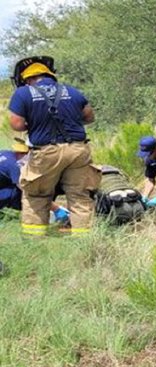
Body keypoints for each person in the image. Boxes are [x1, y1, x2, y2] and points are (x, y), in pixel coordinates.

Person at [7, 56, 100, 236]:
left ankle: (35, 241)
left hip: (46, 152)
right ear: (49, 75)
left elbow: (16, 124)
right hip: (78, 150)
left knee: (36, 196)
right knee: (79, 196)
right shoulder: (72, 91)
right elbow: (89, 117)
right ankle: (84, 242)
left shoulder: (23, 93)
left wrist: (35, 124)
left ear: (28, 79)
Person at [0, 137, 70, 223]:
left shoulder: (6, 154)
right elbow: (29, 191)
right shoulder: (15, 166)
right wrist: (57, 209)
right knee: (27, 192)